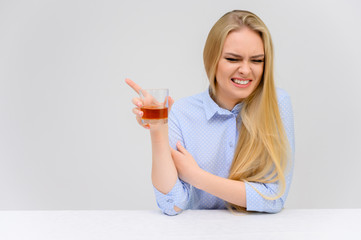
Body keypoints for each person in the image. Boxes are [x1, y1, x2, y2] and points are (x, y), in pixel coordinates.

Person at [126, 10, 295, 216]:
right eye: (233, 59)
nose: (245, 70)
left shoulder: (277, 104)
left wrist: (196, 176)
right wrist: (158, 129)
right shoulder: (182, 112)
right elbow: (172, 205)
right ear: (212, 59)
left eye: (257, 60)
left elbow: (274, 198)